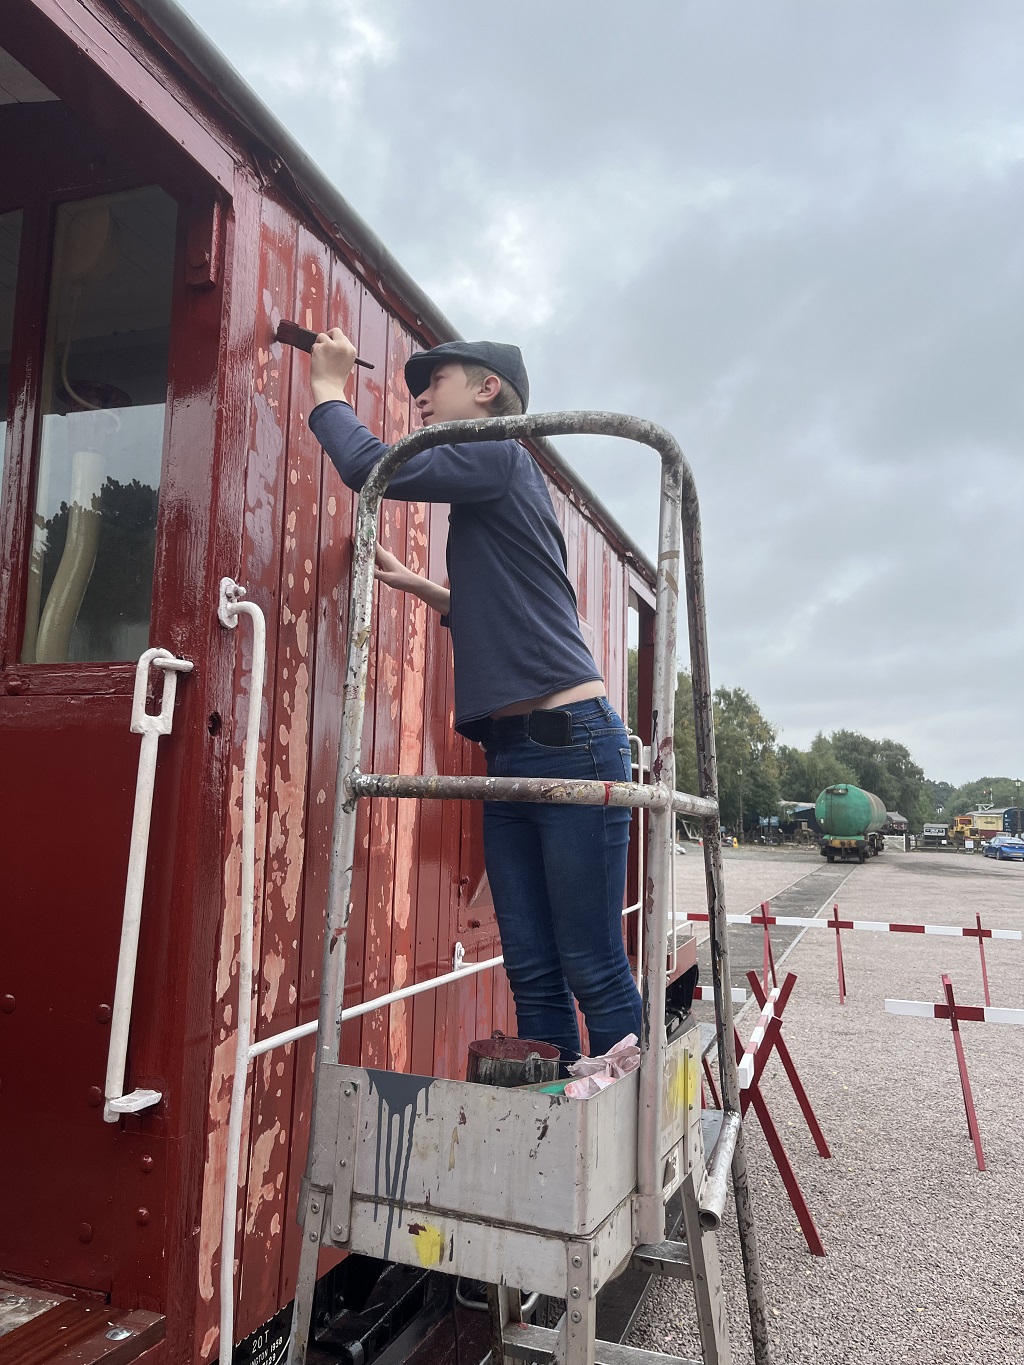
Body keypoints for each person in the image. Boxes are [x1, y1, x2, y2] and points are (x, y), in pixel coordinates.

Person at [307, 330, 642, 1060]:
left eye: (437, 380)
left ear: (488, 389)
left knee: (590, 963)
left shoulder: (499, 451)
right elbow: (510, 605)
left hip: (572, 743)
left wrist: (328, 388)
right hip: (514, 750)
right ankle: (552, 1108)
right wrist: (421, 587)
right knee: (532, 968)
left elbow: (371, 468)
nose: (420, 397)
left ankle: (623, 1117)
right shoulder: (495, 479)